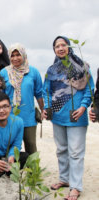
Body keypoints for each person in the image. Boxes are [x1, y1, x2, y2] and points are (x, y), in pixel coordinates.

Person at [43, 36, 94, 200]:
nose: (60, 48)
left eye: (63, 45)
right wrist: (46, 108)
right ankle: (64, 179)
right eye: (56, 46)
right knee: (62, 150)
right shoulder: (51, 70)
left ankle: (76, 186)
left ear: (69, 47)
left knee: (76, 153)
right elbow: (47, 91)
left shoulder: (82, 67)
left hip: (77, 116)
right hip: (58, 116)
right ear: (54, 50)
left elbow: (89, 89)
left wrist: (83, 107)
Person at [0, 43, 44, 155]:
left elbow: (39, 94)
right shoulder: (5, 72)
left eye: (18, 54)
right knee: (10, 148)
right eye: (12, 55)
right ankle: (10, 171)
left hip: (28, 117)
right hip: (9, 117)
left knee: (31, 147)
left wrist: (43, 110)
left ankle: (33, 172)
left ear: (23, 54)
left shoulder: (33, 71)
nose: (15, 58)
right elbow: (1, 95)